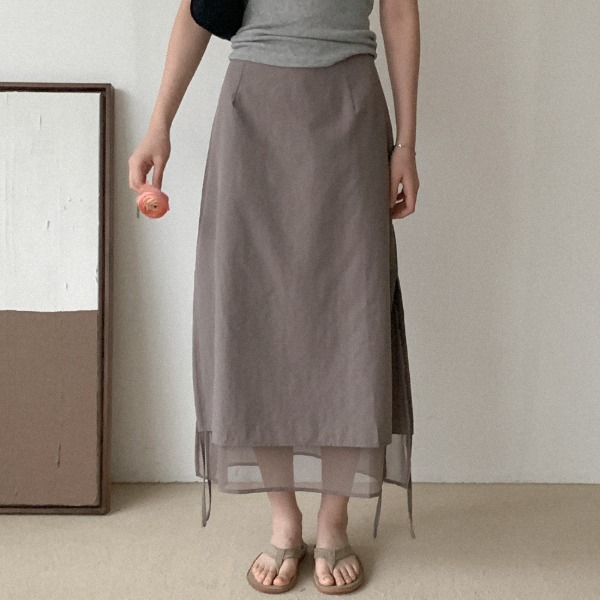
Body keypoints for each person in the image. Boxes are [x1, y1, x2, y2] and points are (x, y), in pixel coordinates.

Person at [129, 0, 420, 593]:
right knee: (251, 312)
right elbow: (196, 9)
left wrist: (407, 144)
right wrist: (159, 122)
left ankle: (334, 520)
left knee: (352, 312)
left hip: (349, 108)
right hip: (252, 113)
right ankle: (284, 520)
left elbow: (399, 10)